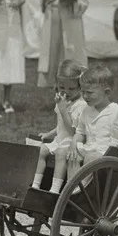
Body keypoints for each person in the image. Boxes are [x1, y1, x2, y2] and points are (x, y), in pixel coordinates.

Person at [68, 66, 118, 183]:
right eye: (83, 92)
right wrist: (74, 143)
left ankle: (84, 187)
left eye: (89, 92)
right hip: (90, 147)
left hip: (108, 152)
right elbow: (80, 133)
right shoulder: (86, 111)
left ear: (107, 92)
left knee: (91, 157)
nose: (84, 96)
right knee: (72, 156)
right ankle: (71, 188)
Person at [30, 59, 87, 193]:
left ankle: (55, 189)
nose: (66, 91)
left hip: (73, 143)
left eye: (71, 89)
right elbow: (60, 126)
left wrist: (63, 110)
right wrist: (48, 135)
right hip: (60, 140)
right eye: (62, 88)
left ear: (80, 87)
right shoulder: (63, 101)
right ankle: (35, 185)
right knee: (41, 149)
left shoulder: (80, 105)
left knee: (61, 153)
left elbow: (74, 131)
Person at [37, 0, 89, 90]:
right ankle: (57, 88)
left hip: (69, 19)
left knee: (71, 50)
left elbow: (84, 2)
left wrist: (70, 0)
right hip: (52, 19)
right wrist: (45, 0)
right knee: (52, 53)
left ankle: (75, 87)